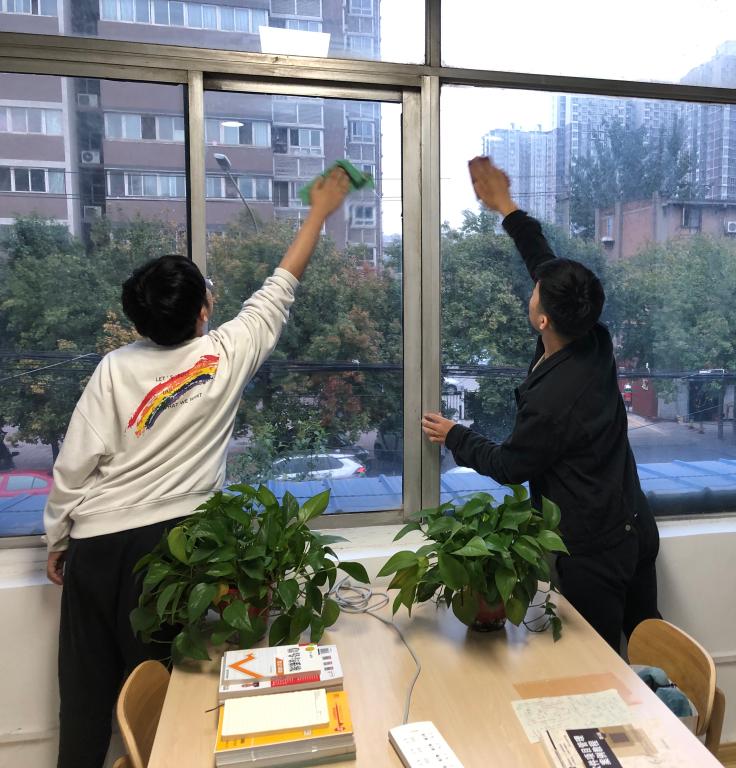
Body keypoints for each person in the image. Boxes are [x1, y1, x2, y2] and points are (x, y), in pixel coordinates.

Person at [44, 169, 351, 768]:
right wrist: (318, 213)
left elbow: (74, 465)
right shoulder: (225, 353)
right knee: (163, 705)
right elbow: (281, 285)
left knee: (83, 701)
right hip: (170, 549)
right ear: (203, 311)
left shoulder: (114, 367)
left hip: (96, 545)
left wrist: (58, 537)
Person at [422, 156, 660, 651]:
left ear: (544, 319)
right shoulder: (593, 336)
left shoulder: (555, 400)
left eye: (536, 291)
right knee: (649, 640)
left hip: (597, 551)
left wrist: (455, 436)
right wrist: (504, 205)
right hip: (633, 522)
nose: (533, 287)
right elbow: (542, 258)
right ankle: (674, 698)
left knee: (601, 663)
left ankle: (672, 701)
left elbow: (512, 465)